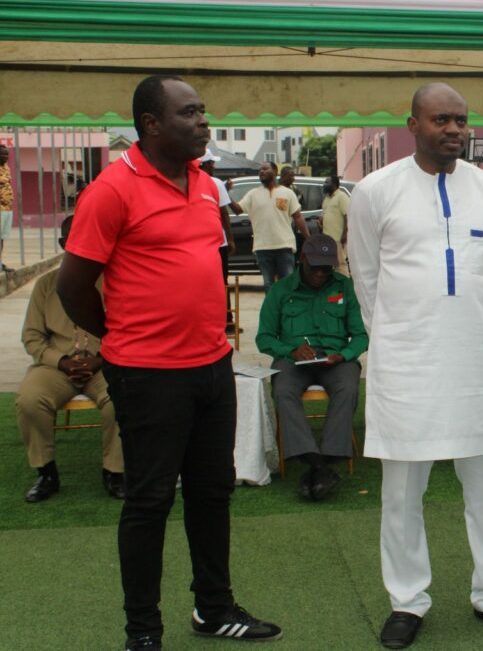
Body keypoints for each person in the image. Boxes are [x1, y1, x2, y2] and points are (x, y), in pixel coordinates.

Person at [56, 74, 281, 650]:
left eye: (203, 110)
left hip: (212, 366)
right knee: (150, 500)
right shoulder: (111, 190)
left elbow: (214, 260)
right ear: (151, 124)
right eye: (189, 112)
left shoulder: (206, 185)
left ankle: (214, 609)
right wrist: (120, 334)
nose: (203, 122)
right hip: (147, 374)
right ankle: (143, 630)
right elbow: (72, 286)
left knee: (212, 492)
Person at [348, 82, 483, 650]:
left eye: (460, 119)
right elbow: (366, 278)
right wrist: (400, 336)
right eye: (440, 120)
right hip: (406, 361)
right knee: (402, 490)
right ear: (413, 125)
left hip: (476, 357)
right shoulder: (375, 191)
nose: (454, 129)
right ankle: (407, 600)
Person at [17, 215, 124, 503]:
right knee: (30, 400)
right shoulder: (46, 285)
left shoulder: (117, 280)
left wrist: (100, 359)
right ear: (63, 243)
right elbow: (32, 336)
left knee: (123, 396)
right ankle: (46, 473)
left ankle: (115, 472)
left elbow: (129, 329)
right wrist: (62, 361)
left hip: (105, 362)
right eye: (73, 238)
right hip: (56, 366)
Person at [255, 234, 367, 501]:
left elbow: (361, 336)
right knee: (283, 389)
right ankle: (317, 462)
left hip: (335, 359)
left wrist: (344, 354)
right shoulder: (281, 290)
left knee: (348, 387)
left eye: (326, 268)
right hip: (293, 360)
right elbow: (264, 338)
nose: (320, 273)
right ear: (302, 259)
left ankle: (324, 460)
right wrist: (290, 350)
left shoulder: (344, 286)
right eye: (315, 267)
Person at [228, 161, 310, 293]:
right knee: (269, 286)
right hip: (262, 248)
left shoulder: (287, 193)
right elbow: (237, 209)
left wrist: (308, 238)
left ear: (275, 172)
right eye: (260, 170)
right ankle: (272, 307)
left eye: (265, 169)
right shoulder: (253, 194)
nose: (262, 171)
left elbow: (298, 217)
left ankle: (286, 307)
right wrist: (225, 194)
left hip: (284, 246)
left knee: (287, 284)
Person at [198, 148, 237, 329]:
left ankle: (206, 320)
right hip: (218, 243)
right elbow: (224, 214)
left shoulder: (188, 181)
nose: (214, 166)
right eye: (212, 163)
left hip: (199, 244)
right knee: (222, 282)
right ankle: (226, 320)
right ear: (204, 164)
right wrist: (230, 239)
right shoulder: (215, 182)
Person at [320, 175, 352, 276]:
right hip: (327, 238)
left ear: (334, 184)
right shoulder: (326, 199)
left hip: (338, 238)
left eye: (327, 182)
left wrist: (345, 234)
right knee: (330, 265)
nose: (324, 185)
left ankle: (344, 283)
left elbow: (348, 215)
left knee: (340, 263)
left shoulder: (341, 197)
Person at [0, 144, 13, 271]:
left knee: (2, 238)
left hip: (7, 208)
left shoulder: (6, 168)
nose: (6, 156)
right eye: (3, 154)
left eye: (7, 154)